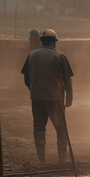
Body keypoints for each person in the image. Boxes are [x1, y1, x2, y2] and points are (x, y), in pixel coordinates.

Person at [20, 29, 74, 164]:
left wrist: (34, 90)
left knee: (39, 128)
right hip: (55, 99)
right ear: (53, 42)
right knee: (61, 128)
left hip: (36, 98)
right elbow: (68, 80)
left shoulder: (31, 55)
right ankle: (62, 158)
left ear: (41, 42)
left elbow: (26, 78)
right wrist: (69, 99)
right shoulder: (59, 56)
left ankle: (42, 160)